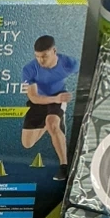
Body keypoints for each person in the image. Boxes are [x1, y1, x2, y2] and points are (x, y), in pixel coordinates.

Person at [21, 36, 78, 182]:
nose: (41, 60)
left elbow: (85, 79)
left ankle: (64, 167)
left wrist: (64, 98)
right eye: (37, 56)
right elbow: (34, 97)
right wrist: (55, 99)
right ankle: (50, 124)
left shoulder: (69, 63)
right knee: (27, 144)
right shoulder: (29, 69)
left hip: (59, 96)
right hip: (40, 100)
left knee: (52, 123)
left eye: (44, 56)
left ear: (54, 51)